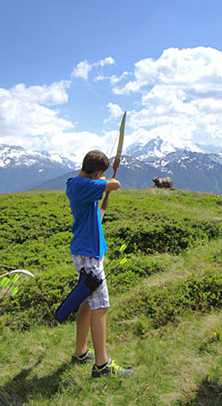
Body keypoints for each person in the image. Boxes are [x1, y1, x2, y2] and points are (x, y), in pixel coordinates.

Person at [65, 150, 134, 378]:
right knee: (100, 305)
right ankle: (102, 365)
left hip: (87, 250)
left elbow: (105, 189)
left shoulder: (76, 183)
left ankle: (81, 352)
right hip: (88, 253)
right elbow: (116, 184)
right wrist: (107, 179)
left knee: (86, 302)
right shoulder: (84, 186)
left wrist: (102, 180)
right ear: (96, 172)